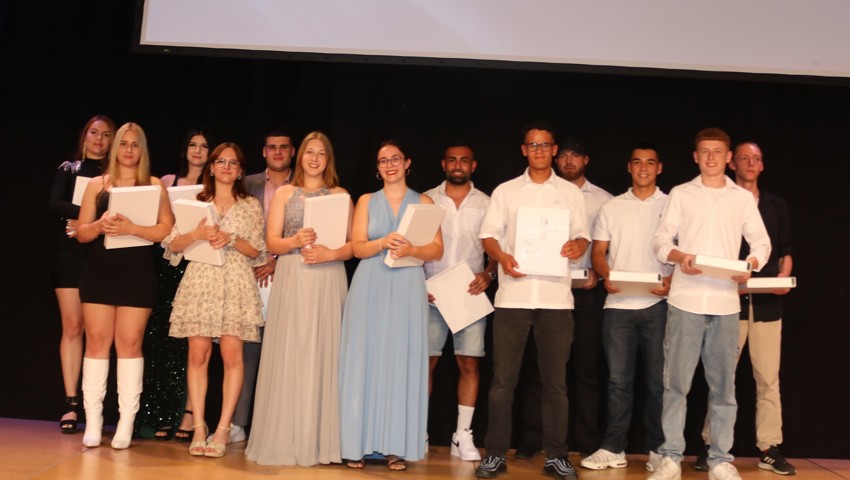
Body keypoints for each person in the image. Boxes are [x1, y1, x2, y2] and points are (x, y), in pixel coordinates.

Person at [649, 128, 771, 480]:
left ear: (728, 156)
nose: (712, 158)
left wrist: (751, 265)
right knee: (676, 384)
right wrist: (677, 255)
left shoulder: (741, 199)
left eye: (718, 152)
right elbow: (660, 239)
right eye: (705, 151)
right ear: (695, 156)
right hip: (685, 300)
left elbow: (761, 244)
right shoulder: (681, 194)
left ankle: (720, 459)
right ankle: (671, 456)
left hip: (725, 304)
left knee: (723, 388)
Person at [475, 121, 589, 480]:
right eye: (532, 145)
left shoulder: (571, 194)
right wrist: (503, 257)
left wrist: (577, 246)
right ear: (523, 150)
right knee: (502, 381)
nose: (539, 151)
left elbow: (583, 236)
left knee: (556, 383)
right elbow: (488, 236)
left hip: (556, 299)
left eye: (545, 145)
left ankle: (556, 455)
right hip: (513, 297)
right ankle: (494, 454)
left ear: (554, 150)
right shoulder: (506, 192)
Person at [246, 131, 353, 466]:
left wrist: (331, 252)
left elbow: (352, 246)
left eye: (321, 153)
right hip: (292, 277)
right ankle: (287, 438)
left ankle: (321, 442)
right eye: (309, 152)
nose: (314, 158)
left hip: (328, 277)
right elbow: (272, 243)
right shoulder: (284, 194)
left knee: (324, 353)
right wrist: (294, 240)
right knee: (290, 353)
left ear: (328, 159)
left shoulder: (341, 194)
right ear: (300, 156)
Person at [339, 140, 443, 472]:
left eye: (395, 159)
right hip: (370, 283)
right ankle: (355, 444)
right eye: (383, 160)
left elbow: (436, 250)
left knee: (402, 361)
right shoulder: (367, 201)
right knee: (362, 359)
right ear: (377, 167)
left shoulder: (425, 201)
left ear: (407, 162)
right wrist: (382, 242)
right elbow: (356, 247)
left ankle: (395, 447)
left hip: (407, 285)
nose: (390, 164)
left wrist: (412, 247)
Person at [695, 142, 796, 476]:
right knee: (721, 378)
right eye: (744, 158)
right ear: (731, 163)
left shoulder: (775, 205)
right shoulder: (724, 201)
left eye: (756, 158)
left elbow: (784, 249)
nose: (750, 163)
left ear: (762, 165)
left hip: (767, 303)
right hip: (728, 302)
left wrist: (783, 276)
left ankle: (769, 446)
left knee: (768, 379)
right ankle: (711, 446)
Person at [76, 122, 174, 449]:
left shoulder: (154, 185)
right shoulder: (96, 185)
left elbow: (165, 232)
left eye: (135, 145)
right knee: (97, 342)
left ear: (142, 150)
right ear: (115, 148)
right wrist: (99, 225)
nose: (129, 150)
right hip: (100, 270)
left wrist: (133, 227)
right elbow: (82, 233)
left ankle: (125, 423)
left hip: (137, 273)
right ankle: (93, 421)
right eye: (123, 144)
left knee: (130, 343)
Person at [164, 142, 266, 458]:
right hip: (201, 279)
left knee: (233, 355)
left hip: (235, 281)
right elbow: (172, 245)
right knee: (198, 353)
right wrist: (196, 234)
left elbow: (258, 251)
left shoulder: (250, 205)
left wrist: (232, 238)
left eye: (233, 163)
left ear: (240, 171)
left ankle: (223, 428)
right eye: (221, 161)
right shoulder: (194, 201)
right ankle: (198, 427)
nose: (226, 167)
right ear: (211, 166)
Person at [582, 143, 671, 471]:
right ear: (629, 167)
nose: (643, 168)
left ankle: (659, 451)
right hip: (618, 305)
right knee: (618, 381)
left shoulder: (672, 204)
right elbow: (598, 252)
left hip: (659, 304)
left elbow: (682, 250)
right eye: (637, 162)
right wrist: (606, 274)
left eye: (650, 162)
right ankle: (614, 448)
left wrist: (671, 283)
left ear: (659, 168)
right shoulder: (612, 207)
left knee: (658, 382)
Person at [423, 142, 494, 462]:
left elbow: (496, 251)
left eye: (464, 160)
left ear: (473, 166)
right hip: (431, 294)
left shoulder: (488, 203)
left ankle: (462, 435)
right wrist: (416, 283)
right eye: (452, 159)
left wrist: (489, 275)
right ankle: (417, 431)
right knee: (425, 365)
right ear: (443, 164)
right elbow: (414, 246)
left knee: (469, 363)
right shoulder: (427, 200)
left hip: (468, 294)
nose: (457, 165)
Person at [143, 128, 215, 442]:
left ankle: (189, 413)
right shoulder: (167, 181)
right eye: (192, 145)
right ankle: (159, 412)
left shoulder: (216, 185)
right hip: (169, 268)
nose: (197, 151)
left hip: (201, 267)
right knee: (163, 340)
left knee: (196, 344)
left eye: (204, 146)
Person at [48, 114, 115, 434]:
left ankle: (95, 405)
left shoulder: (115, 175)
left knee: (99, 333)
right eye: (93, 133)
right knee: (72, 327)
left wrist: (89, 221)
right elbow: (54, 203)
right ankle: (71, 403)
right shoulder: (69, 168)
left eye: (105, 135)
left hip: (101, 255)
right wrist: (85, 215)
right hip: (69, 254)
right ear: (84, 136)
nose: (99, 139)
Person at [228, 127, 295, 443]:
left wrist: (277, 262)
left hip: (293, 275)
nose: (278, 152)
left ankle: (277, 427)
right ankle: (238, 423)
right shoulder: (247, 184)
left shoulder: (306, 186)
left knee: (286, 352)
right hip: (251, 276)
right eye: (272, 147)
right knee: (247, 351)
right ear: (264, 152)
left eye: (284, 147)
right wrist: (260, 263)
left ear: (292, 152)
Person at [557, 138, 613, 456]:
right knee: (546, 371)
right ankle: (539, 440)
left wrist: (600, 272)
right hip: (550, 291)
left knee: (587, 370)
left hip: (589, 294)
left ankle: (588, 441)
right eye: (563, 155)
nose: (568, 161)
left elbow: (612, 247)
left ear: (586, 160)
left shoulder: (604, 200)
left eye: (574, 155)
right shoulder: (545, 195)